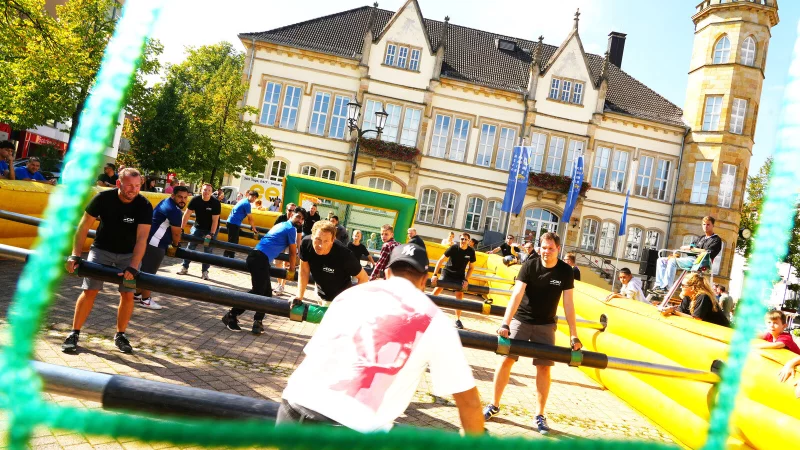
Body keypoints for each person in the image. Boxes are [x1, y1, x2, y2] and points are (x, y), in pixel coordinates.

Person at [277, 243, 484, 432]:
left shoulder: (349, 295)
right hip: (351, 427)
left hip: (295, 404)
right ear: (424, 280)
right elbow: (469, 402)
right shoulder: (434, 319)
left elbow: (313, 352)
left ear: (387, 272)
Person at [483, 232, 582, 435]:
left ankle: (540, 415)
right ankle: (494, 404)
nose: (546, 252)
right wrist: (505, 323)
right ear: (540, 248)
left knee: (544, 369)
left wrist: (574, 335)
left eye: (551, 248)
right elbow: (517, 294)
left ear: (558, 249)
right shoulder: (530, 265)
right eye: (543, 248)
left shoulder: (565, 271)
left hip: (546, 324)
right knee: (506, 360)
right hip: (522, 319)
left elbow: (569, 305)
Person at [62, 168, 153, 354]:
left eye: (137, 186)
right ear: (119, 183)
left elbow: (142, 238)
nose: (133, 190)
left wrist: (134, 266)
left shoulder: (144, 205)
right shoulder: (103, 198)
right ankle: (74, 332)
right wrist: (75, 255)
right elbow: (83, 227)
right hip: (102, 249)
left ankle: (120, 335)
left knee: (128, 294)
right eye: (129, 185)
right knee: (90, 290)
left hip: (128, 254)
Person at [222, 208, 306, 335]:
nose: (300, 220)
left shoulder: (281, 224)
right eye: (298, 216)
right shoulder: (291, 229)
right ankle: (231, 315)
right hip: (259, 259)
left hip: (258, 258)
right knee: (258, 292)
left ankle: (257, 322)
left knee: (266, 294)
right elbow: (293, 252)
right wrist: (292, 270)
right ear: (291, 215)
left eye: (302, 219)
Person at [134, 186, 190, 309]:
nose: (183, 200)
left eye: (185, 198)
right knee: (149, 274)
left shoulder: (166, 202)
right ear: (173, 195)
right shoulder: (174, 211)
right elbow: (176, 233)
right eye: (180, 197)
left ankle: (137, 294)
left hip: (149, 240)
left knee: (144, 270)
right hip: (155, 244)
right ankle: (145, 300)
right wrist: (175, 245)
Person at [294, 220, 368, 304]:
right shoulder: (306, 243)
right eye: (318, 239)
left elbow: (364, 278)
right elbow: (303, 270)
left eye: (326, 241)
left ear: (333, 239)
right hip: (319, 293)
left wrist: (351, 301)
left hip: (339, 299)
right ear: (312, 236)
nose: (321, 245)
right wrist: (299, 296)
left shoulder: (344, 254)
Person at [653, 216, 723, 292]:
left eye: (708, 224)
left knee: (672, 262)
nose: (706, 226)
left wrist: (692, 249)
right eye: (704, 224)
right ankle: (659, 285)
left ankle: (666, 287)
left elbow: (708, 252)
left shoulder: (716, 239)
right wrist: (690, 248)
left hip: (701, 262)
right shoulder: (701, 238)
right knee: (661, 260)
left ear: (713, 225)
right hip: (691, 259)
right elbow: (691, 246)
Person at [431, 232, 476, 330]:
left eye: (465, 239)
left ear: (469, 241)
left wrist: (466, 279)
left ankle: (457, 319)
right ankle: (425, 312)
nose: (463, 241)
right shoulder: (454, 248)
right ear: (459, 239)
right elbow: (440, 260)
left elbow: (471, 268)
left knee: (460, 296)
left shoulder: (471, 252)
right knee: (437, 290)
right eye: (462, 239)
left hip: (459, 276)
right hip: (447, 273)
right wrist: (435, 275)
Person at [178, 183, 222, 280]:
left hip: (210, 230)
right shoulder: (195, 200)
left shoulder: (215, 203)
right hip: (198, 228)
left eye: (209, 190)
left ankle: (205, 272)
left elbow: (215, 221)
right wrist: (181, 229)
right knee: (190, 246)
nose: (206, 192)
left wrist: (211, 234)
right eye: (205, 190)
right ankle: (184, 267)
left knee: (207, 249)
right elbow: (186, 214)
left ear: (211, 192)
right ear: (201, 190)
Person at [661, 273, 730, 327]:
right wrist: (668, 310)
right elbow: (680, 312)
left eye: (683, 285)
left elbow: (696, 320)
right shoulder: (687, 297)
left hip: (722, 332)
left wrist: (673, 311)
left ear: (692, 287)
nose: (680, 287)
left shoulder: (703, 297)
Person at [273, 202, 302, 294]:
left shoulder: (298, 221)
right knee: (278, 263)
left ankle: (282, 285)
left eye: (294, 210)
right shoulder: (281, 218)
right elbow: (274, 230)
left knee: (286, 264)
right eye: (290, 210)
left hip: (291, 244)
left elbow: (299, 237)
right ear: (286, 210)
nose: (291, 212)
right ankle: (279, 283)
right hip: (280, 243)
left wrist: (299, 251)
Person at [223, 191, 259, 258]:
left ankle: (227, 257)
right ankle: (228, 258)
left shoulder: (243, 201)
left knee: (232, 241)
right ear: (253, 197)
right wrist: (254, 229)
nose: (254, 200)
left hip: (232, 223)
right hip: (233, 223)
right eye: (254, 198)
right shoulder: (246, 204)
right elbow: (250, 218)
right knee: (233, 242)